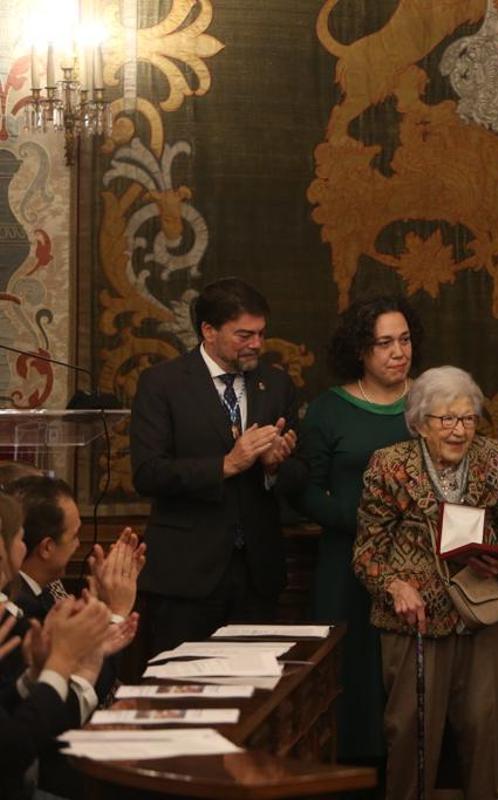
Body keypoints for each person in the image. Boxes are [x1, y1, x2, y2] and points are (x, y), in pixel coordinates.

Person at [354, 366, 498, 800]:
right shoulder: (390, 465)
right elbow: (366, 553)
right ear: (420, 423)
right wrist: (396, 587)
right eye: (447, 420)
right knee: (410, 738)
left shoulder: (494, 456)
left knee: (485, 736)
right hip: (416, 622)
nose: (459, 430)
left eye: (468, 418)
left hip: (484, 618)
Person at [130, 277, 299, 653]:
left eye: (260, 333)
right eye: (243, 335)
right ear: (208, 330)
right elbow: (147, 473)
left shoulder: (275, 385)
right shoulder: (162, 384)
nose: (256, 344)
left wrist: (274, 468)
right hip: (186, 576)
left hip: (257, 574)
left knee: (255, 698)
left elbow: (300, 472)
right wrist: (226, 464)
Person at [294, 295, 422, 764]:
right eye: (384, 343)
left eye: (404, 340)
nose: (398, 352)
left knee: (409, 692)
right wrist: (366, 524)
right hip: (345, 569)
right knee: (351, 686)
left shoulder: (433, 403)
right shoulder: (329, 409)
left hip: (419, 571)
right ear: (359, 351)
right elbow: (305, 492)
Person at [0, 492, 113, 791]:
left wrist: (34, 677)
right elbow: (14, 749)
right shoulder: (19, 613)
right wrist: (61, 663)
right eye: (20, 538)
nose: (23, 549)